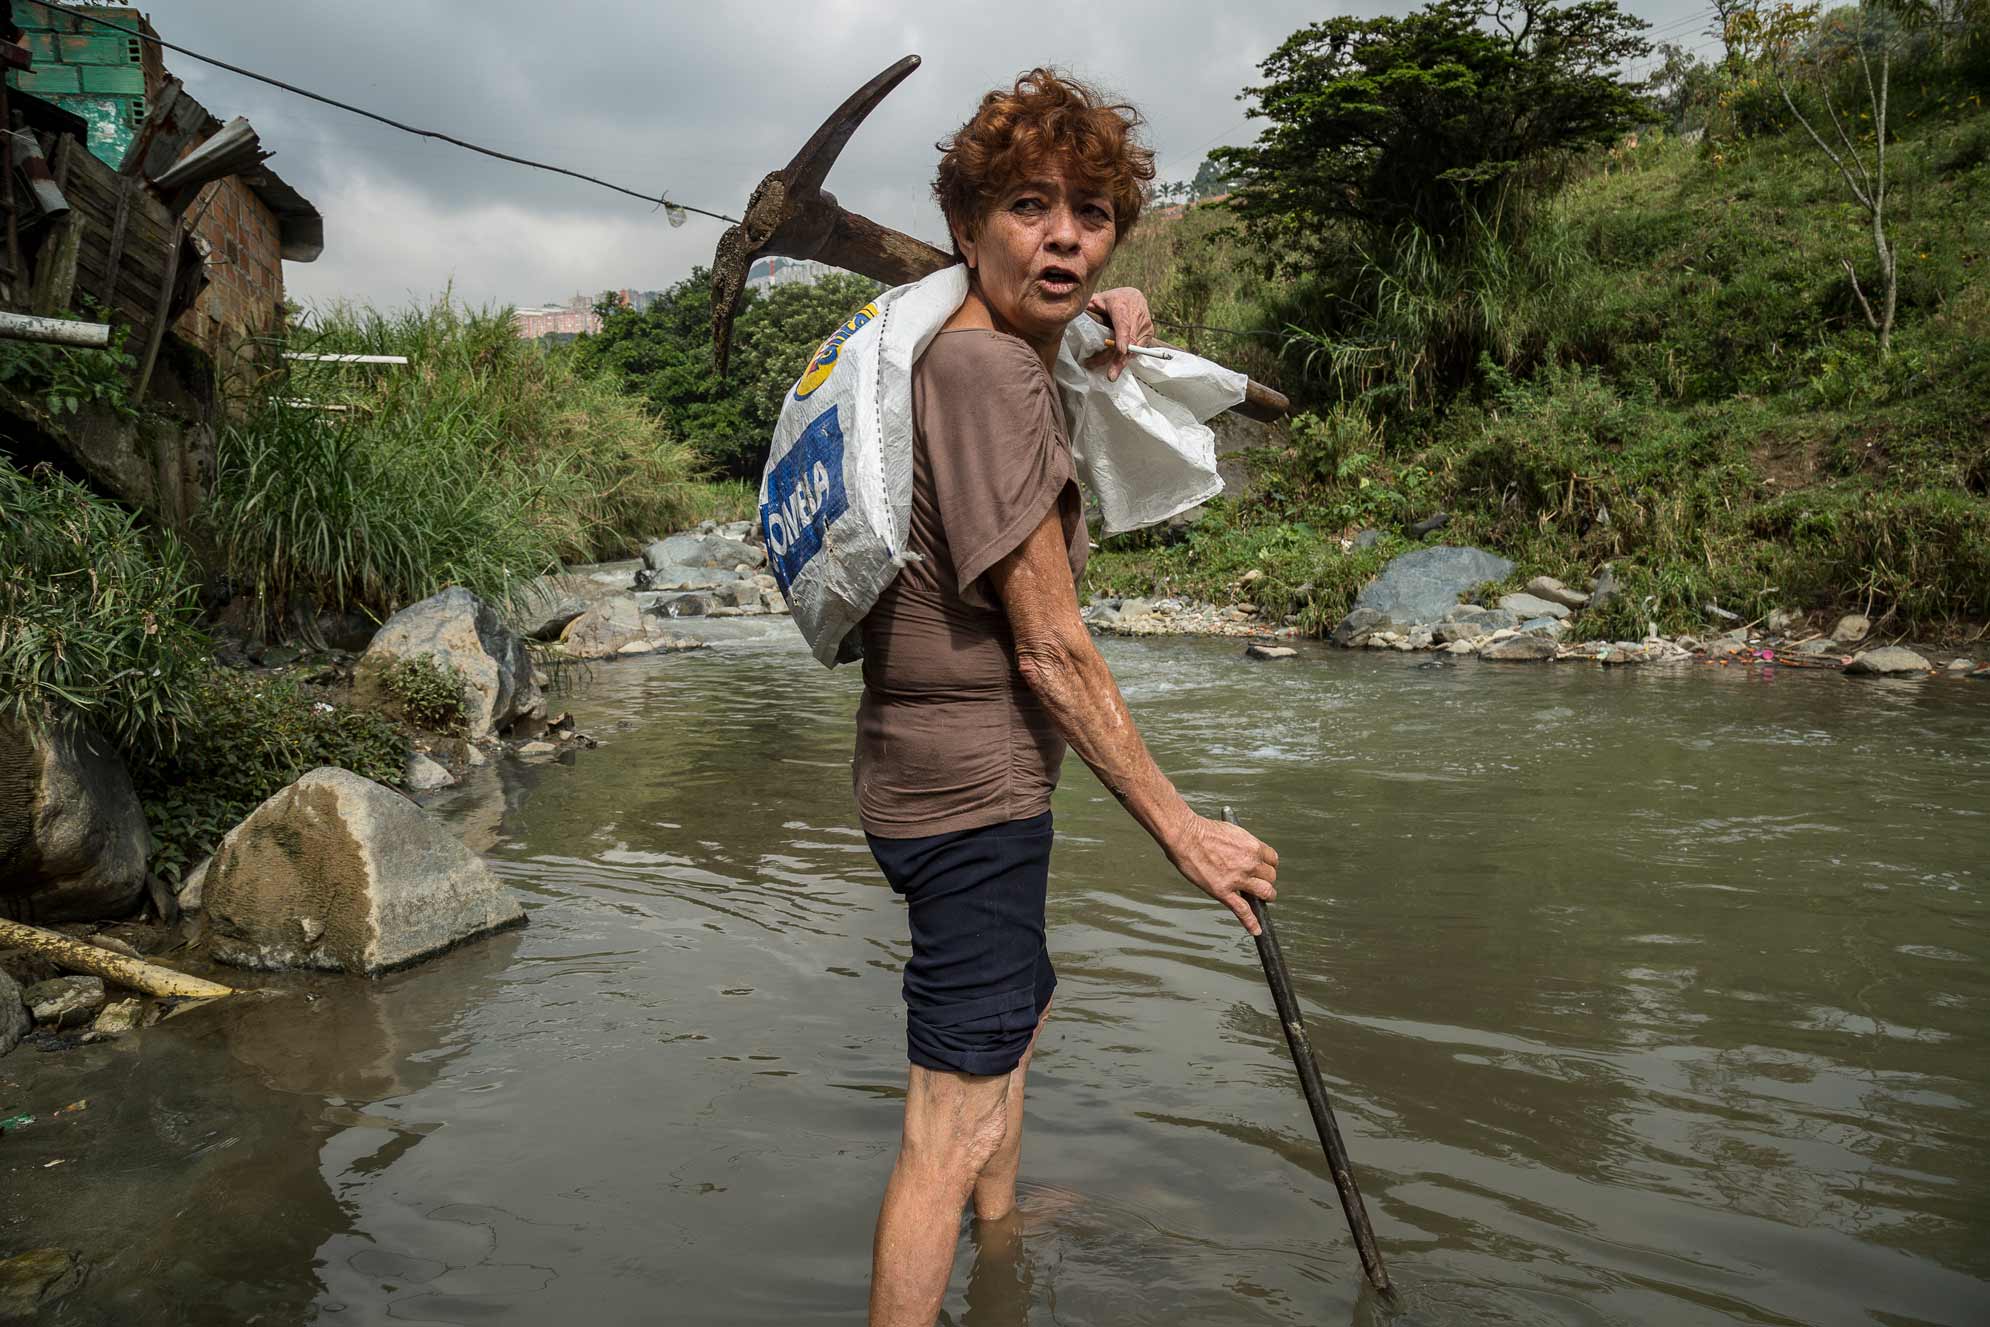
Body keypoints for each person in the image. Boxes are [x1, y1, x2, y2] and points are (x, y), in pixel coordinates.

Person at [856, 68, 1281, 1327]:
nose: (1063, 236)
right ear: (965, 224)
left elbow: (1049, 346)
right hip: (969, 795)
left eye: (1091, 215)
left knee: (1008, 1021)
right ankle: (951, 1242)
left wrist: (1091, 319)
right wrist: (1183, 830)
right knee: (947, 1115)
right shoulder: (985, 378)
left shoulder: (966, 348)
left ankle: (999, 1250)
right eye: (1030, 206)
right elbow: (1051, 648)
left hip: (925, 775)